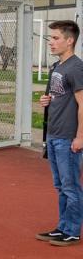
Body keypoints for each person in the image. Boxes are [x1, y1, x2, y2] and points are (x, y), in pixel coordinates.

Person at [36, 20, 83, 247]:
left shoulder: (76, 67)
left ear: (69, 40)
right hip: (53, 135)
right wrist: (46, 100)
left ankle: (72, 231)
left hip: (67, 137)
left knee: (71, 186)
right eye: (51, 38)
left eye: (55, 38)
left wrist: (80, 137)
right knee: (60, 185)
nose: (51, 42)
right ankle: (63, 227)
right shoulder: (57, 67)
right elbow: (59, 96)